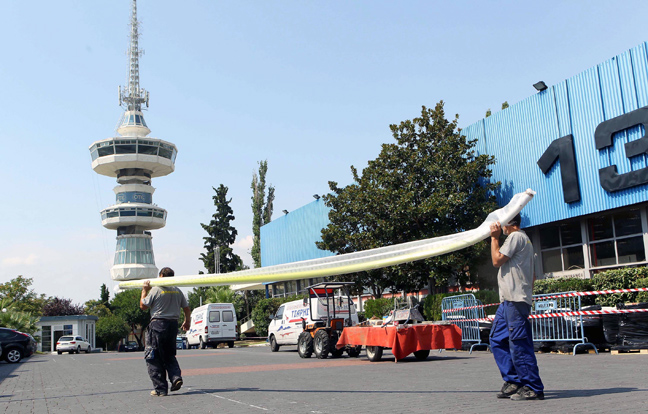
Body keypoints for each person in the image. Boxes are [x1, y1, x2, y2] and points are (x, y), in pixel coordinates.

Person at [489, 213, 544, 401]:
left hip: (515, 300)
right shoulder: (525, 241)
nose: (501, 227)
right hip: (509, 300)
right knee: (497, 339)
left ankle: (532, 386)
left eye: (503, 224)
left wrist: (494, 238)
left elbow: (496, 260)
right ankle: (513, 381)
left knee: (518, 343)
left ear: (509, 224)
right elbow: (533, 276)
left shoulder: (516, 237)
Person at [140, 267, 191, 397]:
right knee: (169, 354)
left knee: (153, 356)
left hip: (158, 324)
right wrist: (187, 321)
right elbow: (186, 308)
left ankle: (160, 389)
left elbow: (143, 306)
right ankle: (175, 377)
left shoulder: (156, 289)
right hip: (172, 325)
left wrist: (144, 290)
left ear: (161, 276)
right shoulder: (177, 291)